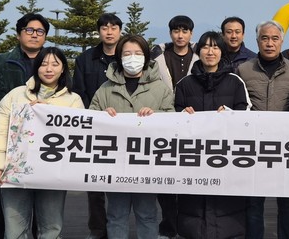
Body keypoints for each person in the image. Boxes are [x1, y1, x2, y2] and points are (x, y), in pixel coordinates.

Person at [0, 47, 84, 239]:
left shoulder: (73, 100)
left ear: (63, 69)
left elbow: (78, 136)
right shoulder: (16, 95)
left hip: (53, 173)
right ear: (36, 67)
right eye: (44, 64)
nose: (49, 69)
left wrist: (51, 113)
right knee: (14, 229)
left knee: (51, 228)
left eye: (55, 64)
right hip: (15, 170)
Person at [89, 35, 175, 239]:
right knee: (116, 215)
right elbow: (91, 118)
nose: (132, 58)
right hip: (115, 164)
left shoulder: (160, 88)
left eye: (138, 53)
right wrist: (102, 116)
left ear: (146, 56)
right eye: (127, 53)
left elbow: (172, 120)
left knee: (147, 214)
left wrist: (156, 115)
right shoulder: (106, 88)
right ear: (119, 57)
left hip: (147, 164)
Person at [174, 31, 251, 238]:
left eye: (215, 47)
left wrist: (230, 114)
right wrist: (182, 115)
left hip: (225, 157)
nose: (210, 52)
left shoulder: (235, 82)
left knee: (227, 206)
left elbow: (245, 114)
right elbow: (173, 116)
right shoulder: (184, 84)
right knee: (193, 207)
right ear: (198, 51)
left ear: (222, 52)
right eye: (206, 47)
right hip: (193, 158)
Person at [0, 12, 50, 238]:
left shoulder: (52, 61)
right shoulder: (2, 62)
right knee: (5, 193)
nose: (34, 35)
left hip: (45, 140)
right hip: (11, 137)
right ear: (19, 34)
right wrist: (22, 115)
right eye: (29, 30)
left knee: (43, 195)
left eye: (40, 31)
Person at [236, 20, 289, 239]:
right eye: (264, 38)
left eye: (275, 39)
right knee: (253, 203)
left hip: (287, 147)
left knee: (288, 204)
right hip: (254, 147)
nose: (269, 43)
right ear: (257, 41)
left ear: (282, 41)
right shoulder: (243, 70)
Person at [73, 12, 123, 239]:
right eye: (104, 28)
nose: (109, 32)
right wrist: (95, 115)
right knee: (94, 184)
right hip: (94, 129)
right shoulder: (85, 59)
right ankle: (97, 229)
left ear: (120, 31)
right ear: (99, 31)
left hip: (122, 130)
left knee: (120, 182)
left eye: (113, 27)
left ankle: (117, 228)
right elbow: (79, 93)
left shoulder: (127, 56)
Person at [150, 15, 197, 238]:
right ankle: (168, 227)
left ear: (191, 34)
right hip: (164, 123)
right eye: (176, 31)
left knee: (188, 180)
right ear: (170, 33)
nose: (180, 35)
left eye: (184, 31)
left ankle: (186, 227)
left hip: (192, 125)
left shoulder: (200, 55)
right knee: (165, 180)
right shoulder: (158, 56)